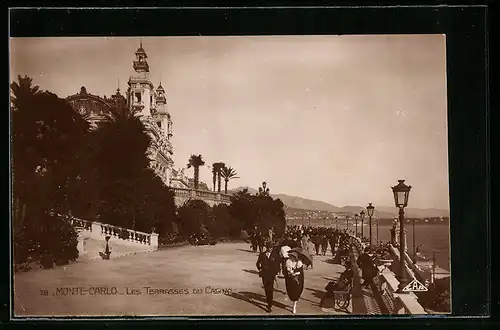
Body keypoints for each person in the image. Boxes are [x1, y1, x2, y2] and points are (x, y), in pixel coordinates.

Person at [256, 241, 280, 312]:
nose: (270, 249)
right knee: (266, 289)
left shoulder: (276, 255)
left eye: (271, 248)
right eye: (268, 247)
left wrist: (277, 273)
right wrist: (259, 268)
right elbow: (257, 263)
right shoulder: (262, 255)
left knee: (270, 289)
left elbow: (277, 265)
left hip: (271, 274)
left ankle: (269, 305)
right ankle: (268, 301)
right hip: (264, 274)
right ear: (266, 248)